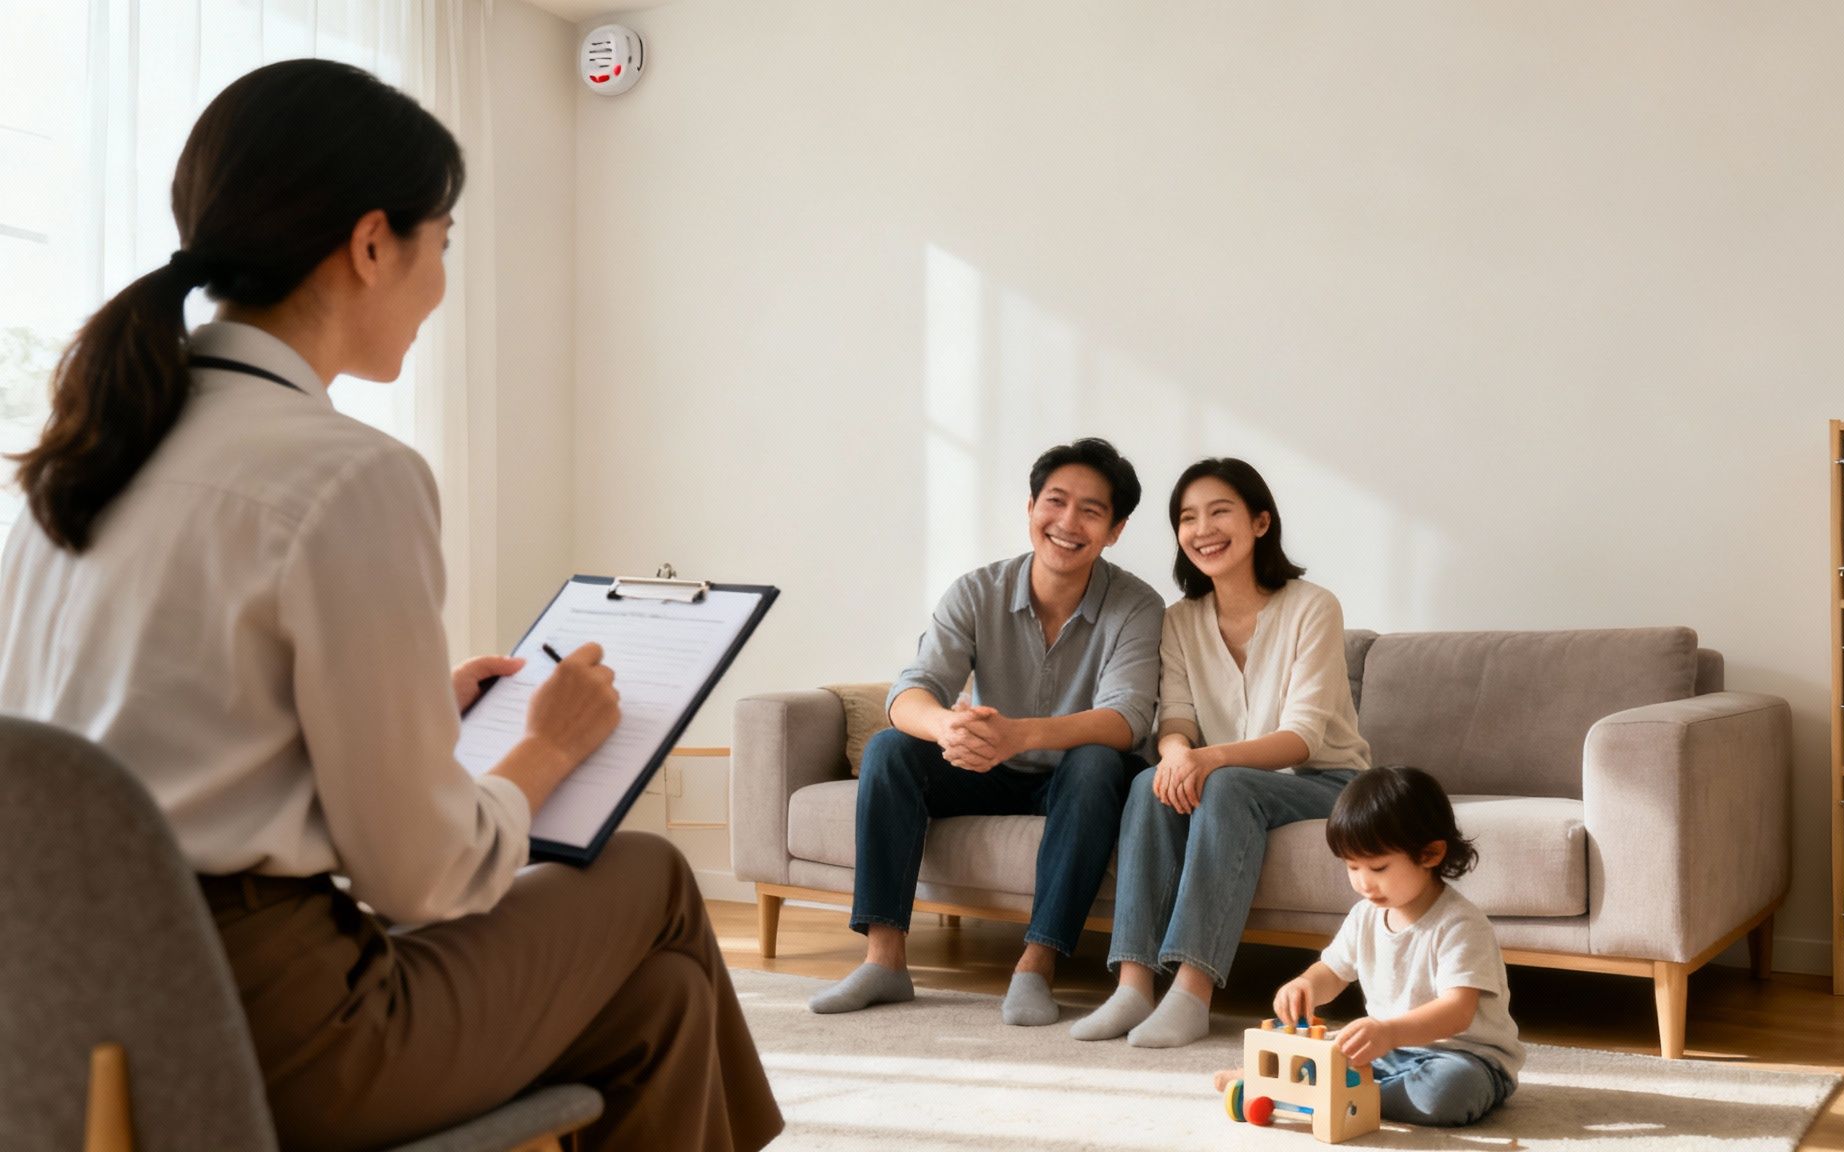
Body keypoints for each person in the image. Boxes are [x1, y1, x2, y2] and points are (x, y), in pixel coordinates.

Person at [0, 60, 779, 1152]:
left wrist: (417, 710)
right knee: (649, 872)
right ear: (374, 244)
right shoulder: (345, 474)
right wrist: (542, 752)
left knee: (660, 1009)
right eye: (444, 243)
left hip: (63, 1015)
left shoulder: (71, 465)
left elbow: (161, 741)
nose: (442, 281)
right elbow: (421, 876)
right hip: (284, 1033)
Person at [807, 438, 1165, 1026]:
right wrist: (947, 725)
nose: (1068, 523)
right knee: (891, 748)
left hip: (1076, 777)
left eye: (1091, 511)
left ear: (1116, 529)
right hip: (986, 766)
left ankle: (1036, 965)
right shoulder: (977, 592)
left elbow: (1126, 720)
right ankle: (885, 960)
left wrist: (1019, 735)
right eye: (1055, 501)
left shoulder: (1137, 606)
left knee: (1098, 759)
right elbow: (910, 692)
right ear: (1030, 508)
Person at [1072, 457, 1370, 1047]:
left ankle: (1191, 991)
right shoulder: (1180, 620)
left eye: (1219, 512)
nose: (1201, 528)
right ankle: (1134, 986)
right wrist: (1179, 754)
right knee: (1147, 782)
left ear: (1260, 522)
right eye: (1187, 517)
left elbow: (1303, 736)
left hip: (1325, 780)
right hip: (1233, 779)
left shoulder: (1314, 606)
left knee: (1226, 783)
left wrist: (1207, 760)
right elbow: (1175, 718)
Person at [1261, 766, 1521, 1126]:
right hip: (1388, 1052)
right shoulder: (1364, 916)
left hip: (1464, 1057)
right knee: (1314, 1056)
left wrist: (1388, 1032)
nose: (1363, 883)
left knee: (1445, 1093)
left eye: (1378, 868)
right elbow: (1333, 972)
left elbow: (1457, 1011)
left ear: (1430, 854)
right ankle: (1307, 1087)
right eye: (1352, 867)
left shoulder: (1460, 924)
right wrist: (1305, 984)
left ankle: (1332, 1097)